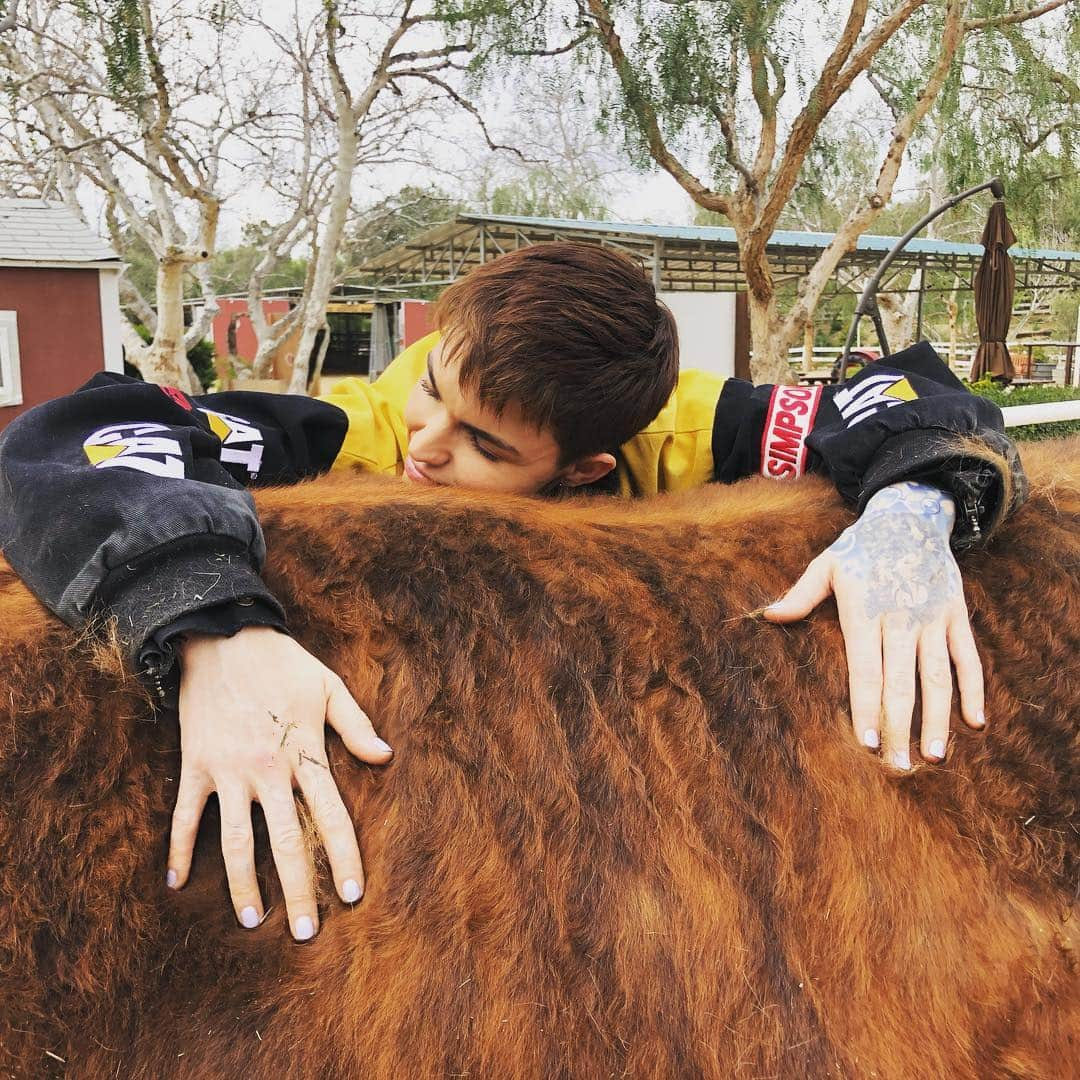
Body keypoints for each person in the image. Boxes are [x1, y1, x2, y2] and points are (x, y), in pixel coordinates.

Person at [0, 243, 1024, 942]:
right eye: (436, 387)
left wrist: (914, 511)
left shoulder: (686, 426)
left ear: (584, 468)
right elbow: (75, 439)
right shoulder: (353, 425)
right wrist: (207, 627)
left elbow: (905, 397)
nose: (427, 446)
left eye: (486, 446)